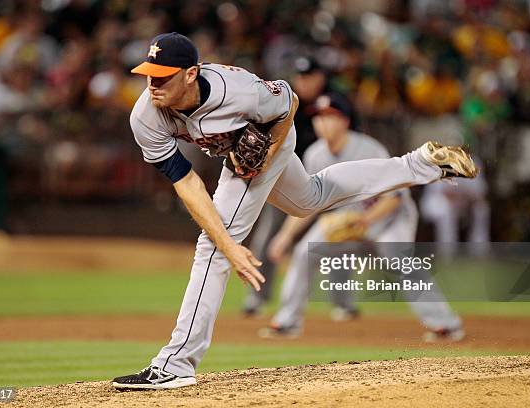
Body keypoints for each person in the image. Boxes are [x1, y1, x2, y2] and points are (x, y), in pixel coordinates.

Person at [112, 32, 477, 390]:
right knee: (310, 199)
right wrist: (230, 242)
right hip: (243, 156)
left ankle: (175, 364)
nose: (151, 84)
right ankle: (420, 165)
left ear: (191, 73)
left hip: (271, 141)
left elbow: (289, 102)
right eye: (148, 73)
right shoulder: (145, 116)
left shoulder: (238, 91)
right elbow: (187, 183)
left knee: (211, 251)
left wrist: (267, 155)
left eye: (162, 76)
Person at [258, 92, 464, 342]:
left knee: (399, 260)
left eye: (330, 117)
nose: (322, 122)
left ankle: (445, 324)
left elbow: (395, 197)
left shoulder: (368, 148)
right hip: (351, 219)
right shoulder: (315, 154)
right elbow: (306, 204)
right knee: (304, 252)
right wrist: (285, 236)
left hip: (390, 218)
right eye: (318, 117)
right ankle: (288, 322)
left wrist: (365, 222)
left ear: (345, 121)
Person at [242, 56, 332, 317]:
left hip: (326, 180)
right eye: (300, 76)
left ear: (320, 78)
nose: (303, 82)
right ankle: (257, 298)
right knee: (268, 237)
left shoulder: (336, 103)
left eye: (309, 76)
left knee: (334, 237)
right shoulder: (286, 100)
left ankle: (341, 304)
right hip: (287, 180)